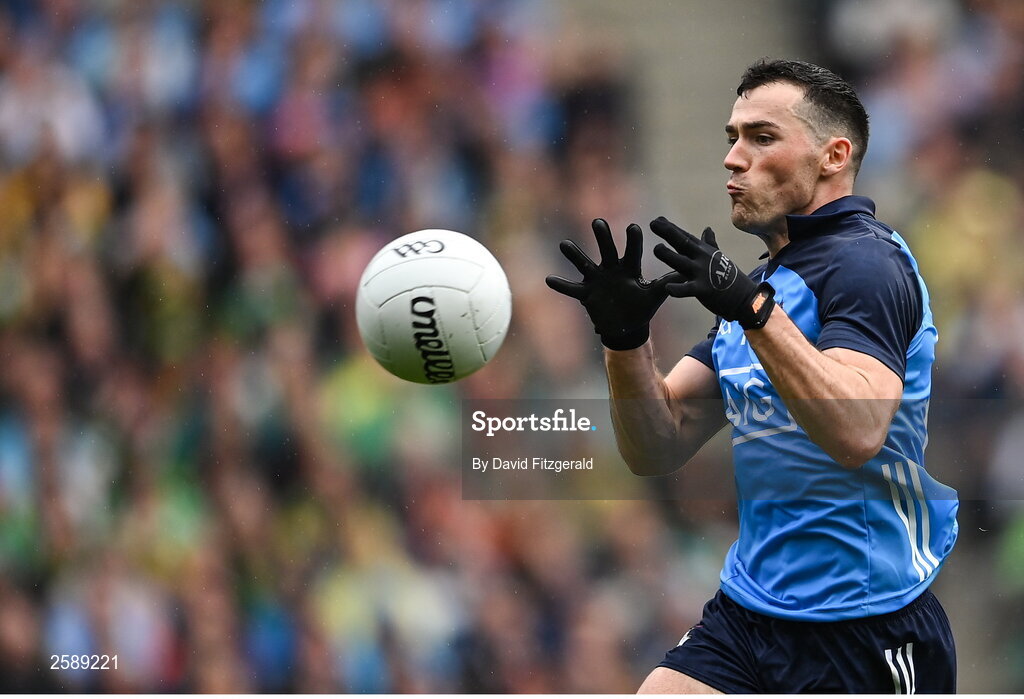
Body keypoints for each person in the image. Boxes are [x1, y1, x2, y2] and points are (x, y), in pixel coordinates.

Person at [546, 59, 958, 694]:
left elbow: (858, 431)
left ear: (833, 156)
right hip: (750, 615)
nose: (734, 159)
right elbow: (658, 444)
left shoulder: (868, 266)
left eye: (762, 138)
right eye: (731, 138)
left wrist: (751, 309)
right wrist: (624, 342)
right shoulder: (763, 289)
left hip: (869, 626)